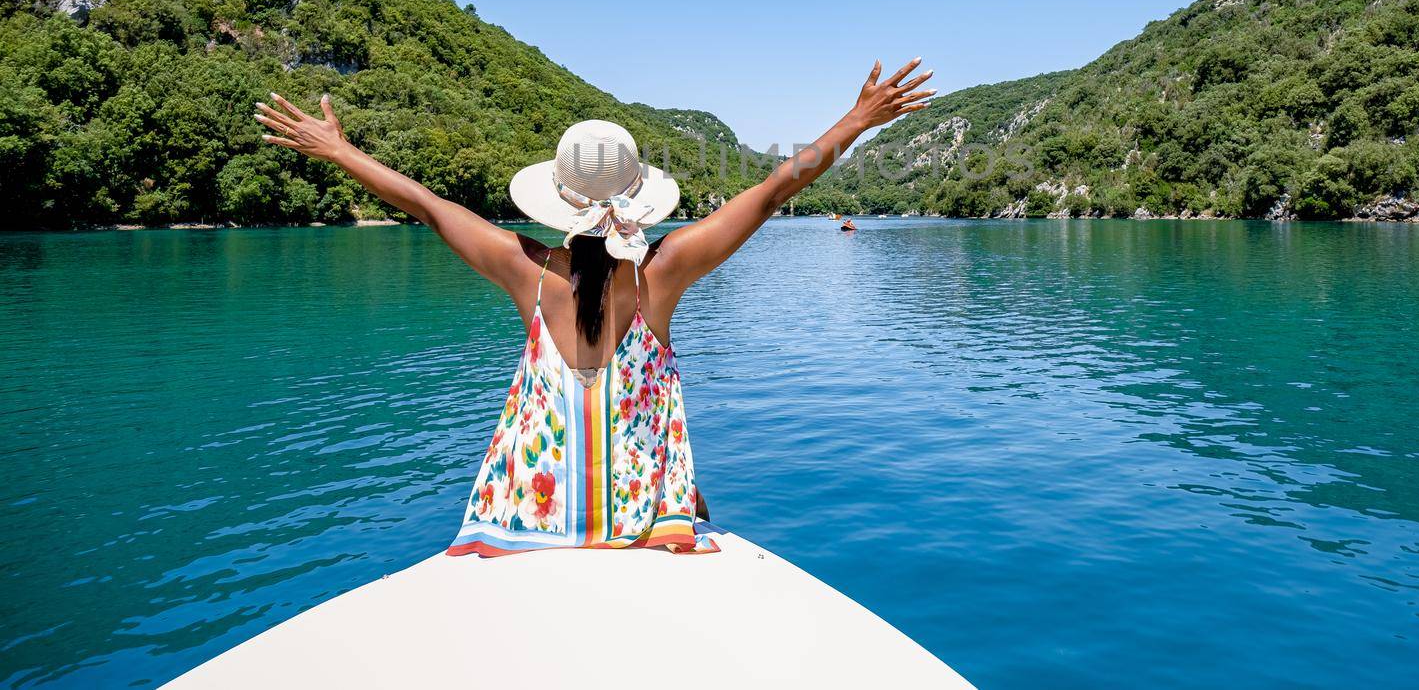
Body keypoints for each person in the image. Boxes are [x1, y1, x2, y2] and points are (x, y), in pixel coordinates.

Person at [253, 57, 934, 556]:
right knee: (691, 498)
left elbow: (428, 205)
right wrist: (858, 119)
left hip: (528, 528)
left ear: (555, 199)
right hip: (639, 527)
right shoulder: (661, 275)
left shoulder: (529, 272)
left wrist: (337, 149)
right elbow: (772, 190)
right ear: (639, 199)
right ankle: (680, 505)